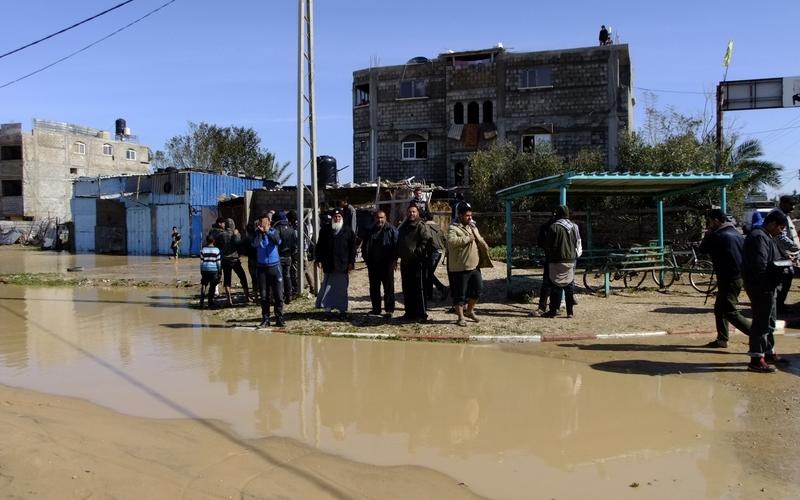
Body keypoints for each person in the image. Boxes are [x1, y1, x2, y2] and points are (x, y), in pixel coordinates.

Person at [742, 210, 792, 372]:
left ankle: (768, 352)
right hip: (762, 286)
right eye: (780, 228)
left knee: (769, 321)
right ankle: (756, 359)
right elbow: (760, 265)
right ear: (771, 224)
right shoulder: (759, 237)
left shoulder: (767, 236)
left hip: (768, 285)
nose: (781, 232)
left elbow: (771, 259)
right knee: (761, 322)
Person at [698, 209, 751, 348]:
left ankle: (757, 334)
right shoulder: (736, 234)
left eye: (709, 221)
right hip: (738, 276)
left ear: (716, 220)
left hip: (729, 277)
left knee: (729, 311)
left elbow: (702, 250)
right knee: (719, 309)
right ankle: (722, 339)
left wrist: (708, 234)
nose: (708, 224)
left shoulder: (718, 235)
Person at [447, 203, 491, 327]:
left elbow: (479, 239)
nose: (469, 218)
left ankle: (469, 311)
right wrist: (467, 239)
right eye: (467, 216)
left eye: (470, 216)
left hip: (474, 266)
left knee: (478, 290)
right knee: (460, 294)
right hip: (460, 267)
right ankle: (460, 317)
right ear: (460, 216)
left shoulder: (472, 227)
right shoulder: (453, 228)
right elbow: (451, 242)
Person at [315, 208, 357, 319]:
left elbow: (353, 248)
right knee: (328, 288)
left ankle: (342, 310)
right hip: (329, 264)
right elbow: (319, 246)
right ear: (332, 218)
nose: (337, 218)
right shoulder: (325, 230)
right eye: (335, 217)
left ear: (342, 218)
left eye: (339, 217)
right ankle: (327, 311)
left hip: (342, 266)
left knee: (342, 289)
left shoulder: (348, 231)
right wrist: (318, 259)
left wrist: (351, 262)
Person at [541, 206, 580, 318]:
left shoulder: (553, 227)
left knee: (555, 286)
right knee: (569, 286)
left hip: (556, 260)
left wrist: (548, 257)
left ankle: (553, 310)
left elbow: (548, 245)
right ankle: (570, 312)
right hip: (571, 260)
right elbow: (578, 243)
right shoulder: (575, 227)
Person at [398, 204, 434, 322]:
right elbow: (400, 242)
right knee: (407, 289)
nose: (411, 214)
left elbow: (427, 240)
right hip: (405, 263)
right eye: (409, 212)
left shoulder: (421, 226)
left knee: (419, 289)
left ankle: (421, 315)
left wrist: (418, 253)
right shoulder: (404, 226)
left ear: (417, 213)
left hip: (418, 263)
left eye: (414, 212)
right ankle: (409, 312)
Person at [362, 210, 398, 316]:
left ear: (385, 218)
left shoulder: (391, 230)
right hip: (373, 264)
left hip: (387, 264)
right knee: (374, 288)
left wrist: (394, 260)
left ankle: (389, 309)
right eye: (378, 218)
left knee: (389, 288)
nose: (380, 220)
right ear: (374, 218)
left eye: (382, 218)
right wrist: (366, 259)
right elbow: (365, 246)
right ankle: (376, 309)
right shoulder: (369, 230)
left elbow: (396, 246)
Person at [252, 213, 285, 328]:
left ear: (269, 222)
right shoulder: (256, 233)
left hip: (275, 267)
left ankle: (279, 318)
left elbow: (277, 241)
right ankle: (265, 319)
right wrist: (261, 233)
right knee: (264, 295)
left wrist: (267, 231)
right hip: (262, 268)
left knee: (278, 295)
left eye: (265, 222)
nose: (263, 224)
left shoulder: (274, 231)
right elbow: (255, 245)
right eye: (261, 222)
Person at [771, 195, 799, 313]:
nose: (793, 207)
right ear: (783, 204)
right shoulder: (778, 215)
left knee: (786, 277)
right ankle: (778, 305)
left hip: (786, 254)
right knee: (784, 277)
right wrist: (792, 248)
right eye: (790, 205)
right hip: (781, 254)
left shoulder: (783, 215)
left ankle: (779, 304)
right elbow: (779, 236)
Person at [216, 218, 251, 306]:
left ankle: (229, 300)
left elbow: (217, 246)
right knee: (243, 277)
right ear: (233, 225)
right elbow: (239, 245)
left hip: (225, 260)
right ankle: (247, 297)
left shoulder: (220, 235)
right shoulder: (236, 234)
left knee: (227, 280)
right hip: (235, 260)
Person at [533, 213, 557, 316]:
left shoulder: (546, 227)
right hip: (560, 258)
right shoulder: (562, 227)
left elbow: (540, 242)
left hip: (549, 258)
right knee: (557, 284)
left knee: (547, 283)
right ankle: (555, 307)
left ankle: (542, 307)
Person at [423, 214, 449, 302]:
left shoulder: (425, 226)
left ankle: (442, 288)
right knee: (429, 273)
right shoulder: (437, 227)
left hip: (432, 252)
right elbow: (444, 239)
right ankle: (429, 295)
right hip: (439, 251)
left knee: (428, 274)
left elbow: (427, 239)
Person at [274, 211, 298, 304]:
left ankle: (281, 296)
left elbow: (275, 243)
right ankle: (289, 295)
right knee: (287, 276)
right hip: (288, 256)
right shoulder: (291, 229)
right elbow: (294, 244)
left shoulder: (276, 229)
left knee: (279, 277)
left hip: (278, 256)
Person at [198, 235, 221, 309]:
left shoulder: (203, 250)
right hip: (214, 270)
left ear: (207, 241)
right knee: (212, 286)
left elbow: (201, 262)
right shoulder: (217, 250)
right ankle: (210, 302)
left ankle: (201, 302)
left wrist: (201, 270)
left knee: (204, 284)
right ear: (214, 241)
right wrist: (219, 271)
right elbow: (218, 262)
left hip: (205, 270)